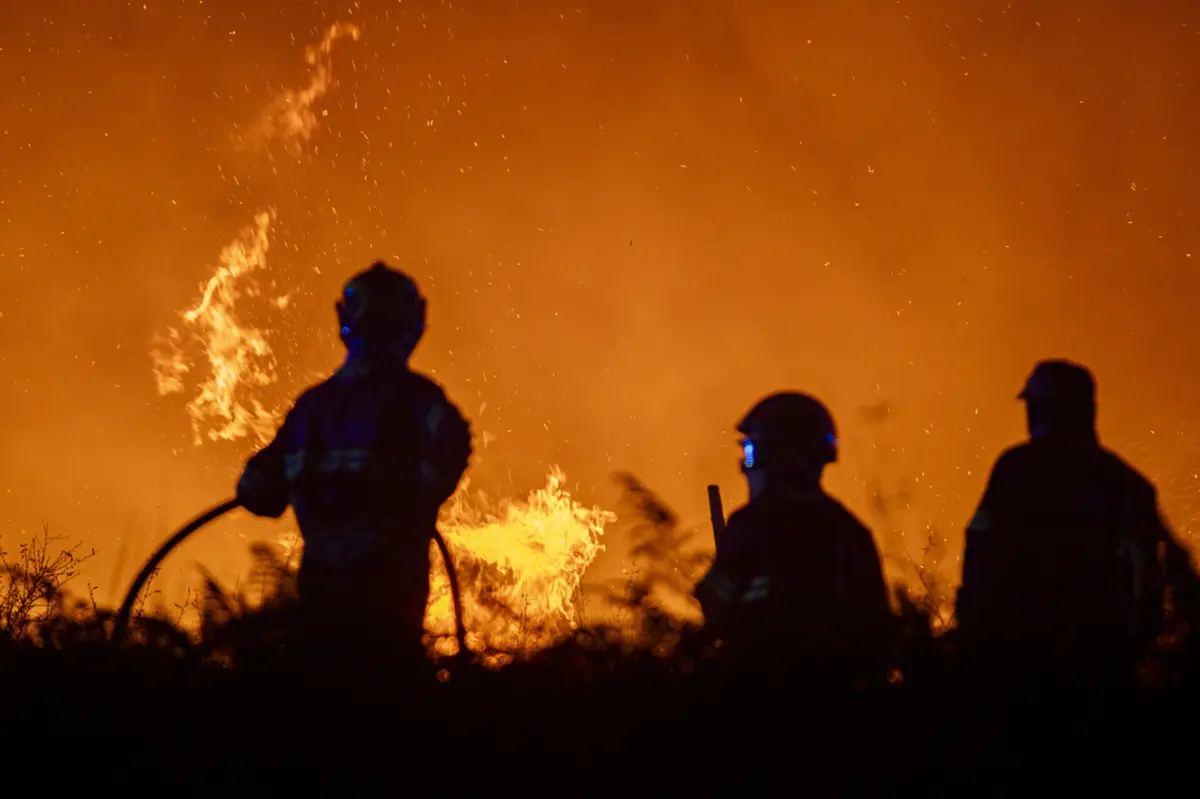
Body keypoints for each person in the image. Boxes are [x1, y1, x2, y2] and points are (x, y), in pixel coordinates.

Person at [235, 261, 472, 666]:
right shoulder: (419, 400)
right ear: (415, 322)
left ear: (345, 320)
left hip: (322, 605)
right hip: (392, 602)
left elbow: (258, 491)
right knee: (391, 692)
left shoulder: (312, 408)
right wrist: (417, 501)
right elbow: (453, 445)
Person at [955, 359, 1197, 690]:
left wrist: (970, 639)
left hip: (1020, 661)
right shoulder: (1127, 483)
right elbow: (1169, 574)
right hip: (1106, 666)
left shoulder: (1018, 469)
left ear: (1043, 409)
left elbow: (979, 555)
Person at [696, 392, 892, 686]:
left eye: (750, 453)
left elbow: (712, 604)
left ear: (776, 458)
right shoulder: (850, 532)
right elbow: (880, 632)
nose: (746, 468)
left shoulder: (752, 525)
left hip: (763, 696)